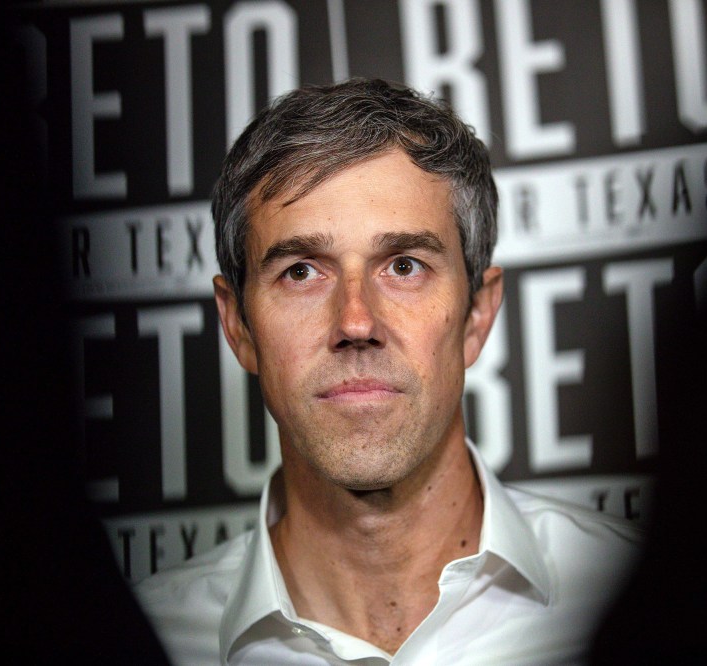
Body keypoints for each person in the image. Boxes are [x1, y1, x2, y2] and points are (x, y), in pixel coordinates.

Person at [136, 78, 640, 665]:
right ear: (238, 326)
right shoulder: (141, 643)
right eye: (301, 272)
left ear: (478, 314)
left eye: (404, 265)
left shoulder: (643, 600)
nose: (355, 321)